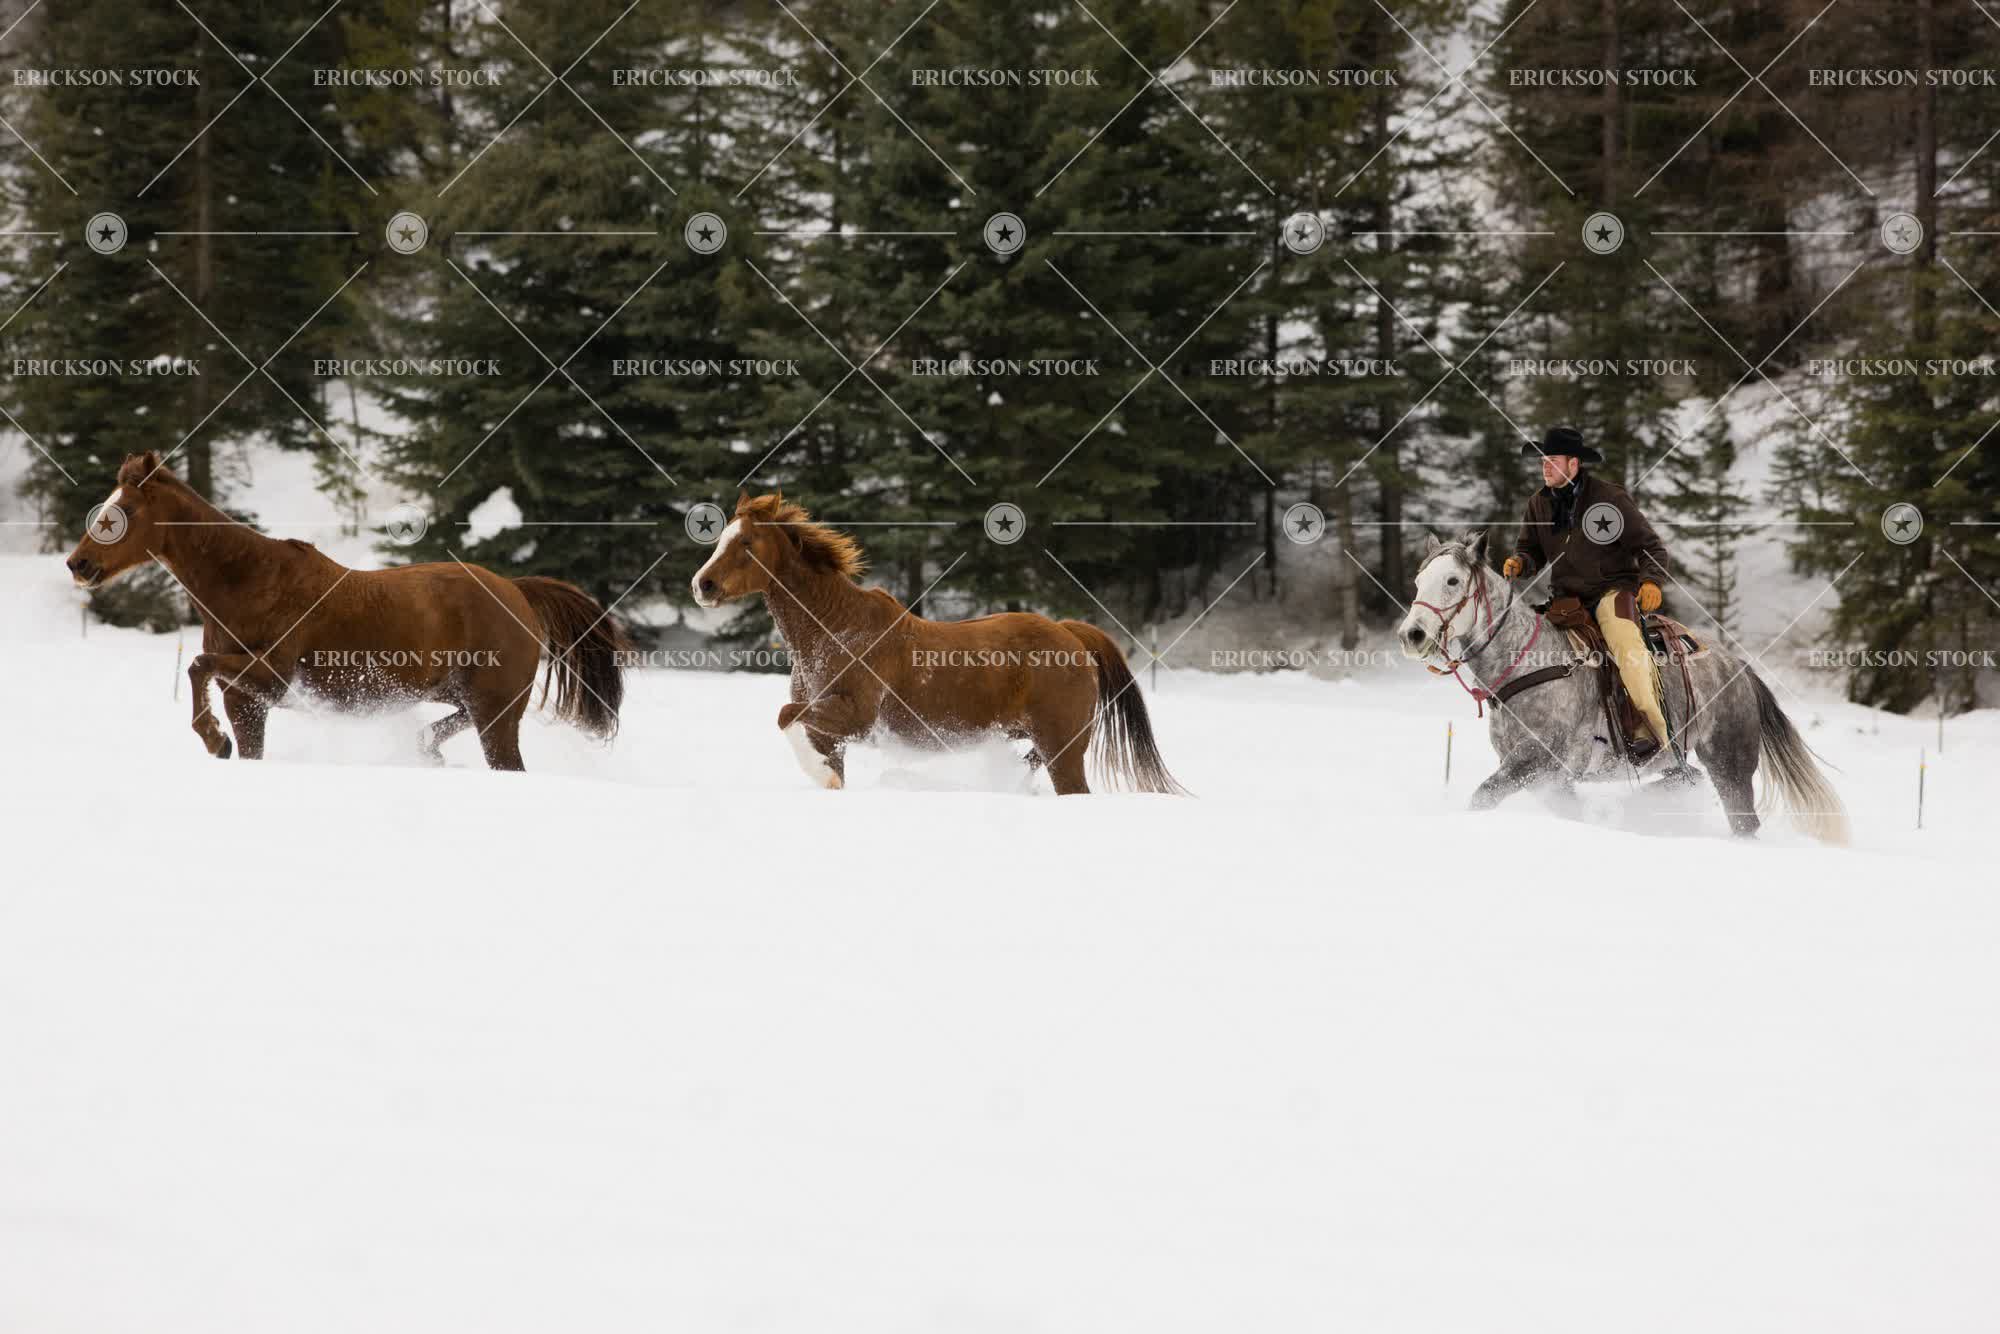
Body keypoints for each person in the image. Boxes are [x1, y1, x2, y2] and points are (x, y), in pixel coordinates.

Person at [1501, 426, 1675, 760]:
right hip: (1566, 600)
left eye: (1553, 460)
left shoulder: (1610, 498)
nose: (1545, 466)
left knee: (1627, 648)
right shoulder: (1538, 503)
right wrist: (1521, 562)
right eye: (1542, 461)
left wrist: (1652, 581)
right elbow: (1530, 550)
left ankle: (1649, 729)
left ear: (1574, 463)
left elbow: (1652, 548)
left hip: (1613, 592)